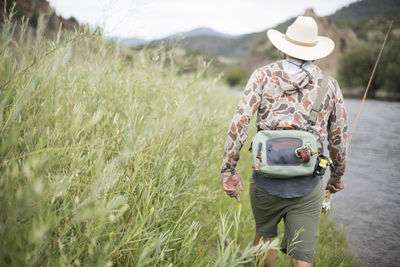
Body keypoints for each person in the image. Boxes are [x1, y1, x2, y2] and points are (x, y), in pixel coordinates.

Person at [220, 16, 347, 267]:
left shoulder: (261, 76)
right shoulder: (329, 85)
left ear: (284, 46)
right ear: (314, 50)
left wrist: (229, 169)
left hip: (266, 178)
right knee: (302, 257)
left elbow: (239, 124)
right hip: (308, 181)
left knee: (265, 240)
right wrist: (337, 175)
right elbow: (338, 139)